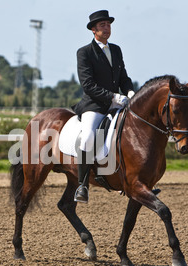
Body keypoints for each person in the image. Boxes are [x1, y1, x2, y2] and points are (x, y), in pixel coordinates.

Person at [72, 10, 135, 203]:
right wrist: (113, 97)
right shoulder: (84, 52)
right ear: (93, 30)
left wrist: (130, 92)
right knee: (89, 136)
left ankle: (133, 178)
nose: (106, 28)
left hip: (117, 104)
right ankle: (82, 185)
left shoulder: (116, 50)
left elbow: (123, 77)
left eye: (108, 24)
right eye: (102, 25)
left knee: (133, 132)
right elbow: (88, 85)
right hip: (94, 105)